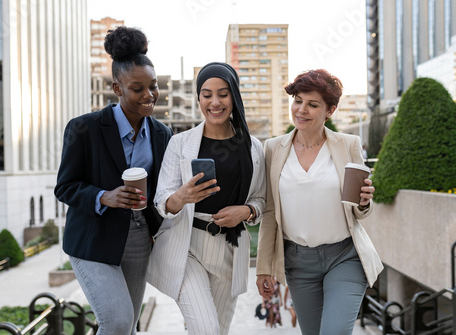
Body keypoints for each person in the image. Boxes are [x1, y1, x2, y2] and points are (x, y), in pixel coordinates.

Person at [54, 26, 172, 335]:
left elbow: (163, 189)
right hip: (93, 238)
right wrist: (104, 196)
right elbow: (65, 187)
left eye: (154, 86)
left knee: (128, 324)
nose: (149, 95)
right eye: (137, 88)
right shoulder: (84, 128)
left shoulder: (162, 134)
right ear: (116, 88)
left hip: (138, 238)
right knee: (117, 322)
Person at [255, 69, 383, 335]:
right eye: (298, 100)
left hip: (345, 257)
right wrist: (263, 268)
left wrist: (363, 202)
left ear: (330, 110)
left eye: (312, 104)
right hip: (298, 262)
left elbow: (358, 211)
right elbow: (269, 213)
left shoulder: (348, 144)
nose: (301, 110)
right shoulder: (273, 149)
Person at [147, 62, 266, 335]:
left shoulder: (253, 147)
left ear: (234, 96)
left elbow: (261, 200)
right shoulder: (180, 143)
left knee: (218, 331)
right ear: (198, 97)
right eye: (207, 94)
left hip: (230, 249)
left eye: (223, 94)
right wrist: (181, 197)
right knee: (206, 328)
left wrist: (246, 212)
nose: (215, 102)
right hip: (187, 245)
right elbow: (161, 199)